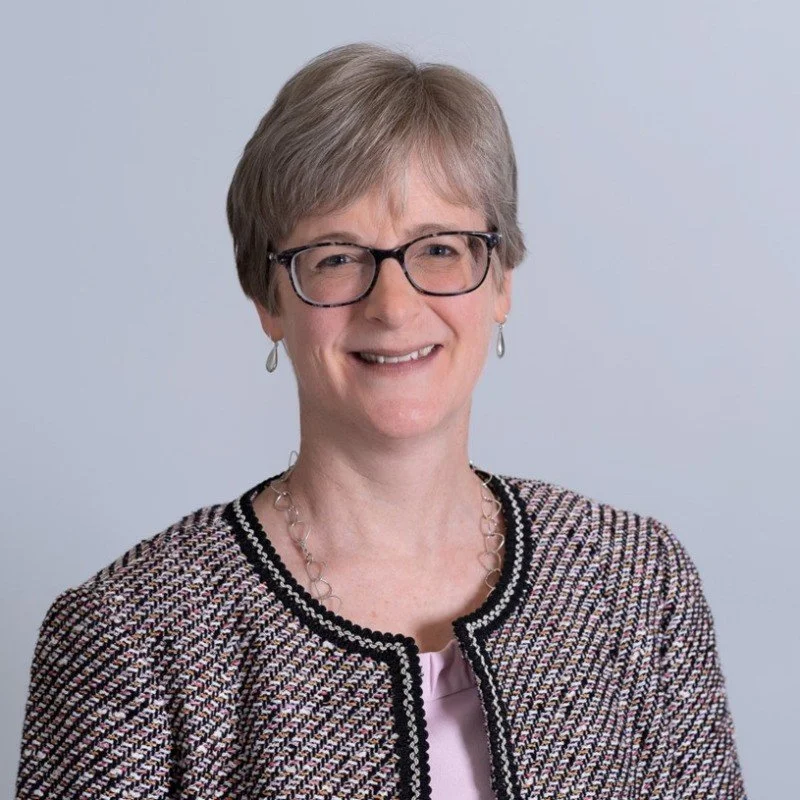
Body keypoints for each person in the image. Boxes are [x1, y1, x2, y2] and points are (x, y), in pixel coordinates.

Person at [16, 42, 746, 800]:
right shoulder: (133, 637)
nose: (393, 308)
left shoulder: (636, 584)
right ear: (269, 300)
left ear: (500, 283)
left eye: (439, 249)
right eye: (336, 257)